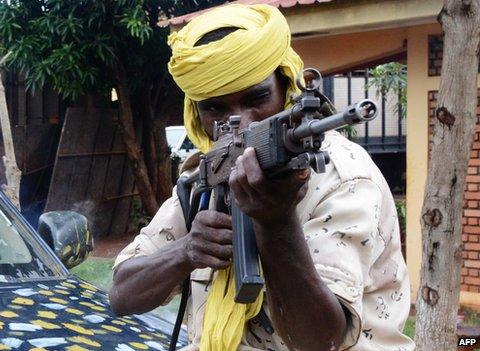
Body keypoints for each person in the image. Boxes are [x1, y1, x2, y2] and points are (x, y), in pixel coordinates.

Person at [109, 4, 415, 351]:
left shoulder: (341, 177)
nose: (241, 123)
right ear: (198, 114)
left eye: (257, 98)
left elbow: (320, 341)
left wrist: (276, 222)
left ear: (287, 87)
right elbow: (121, 293)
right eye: (215, 108)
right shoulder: (205, 178)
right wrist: (187, 250)